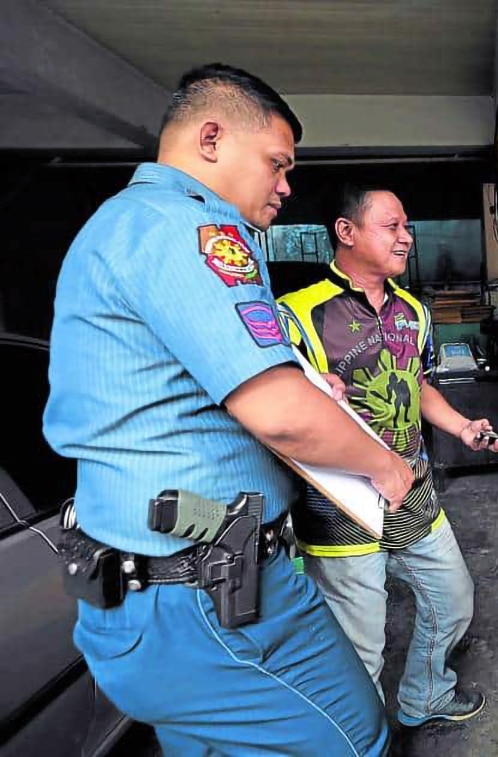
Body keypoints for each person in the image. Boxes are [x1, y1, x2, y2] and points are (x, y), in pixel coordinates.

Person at [43, 64, 402, 755]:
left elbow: (187, 388)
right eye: (276, 163)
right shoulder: (191, 228)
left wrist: (297, 384)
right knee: (354, 737)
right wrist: (383, 464)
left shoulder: (120, 225)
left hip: (153, 593)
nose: (285, 184)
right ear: (211, 137)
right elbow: (278, 412)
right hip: (205, 601)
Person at [276, 185, 498, 727]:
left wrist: (462, 425)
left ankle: (426, 695)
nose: (406, 238)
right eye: (391, 226)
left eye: (407, 227)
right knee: (360, 644)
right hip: (341, 505)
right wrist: (311, 390)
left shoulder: (415, 312)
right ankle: (364, 737)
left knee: (453, 600)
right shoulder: (296, 315)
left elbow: (417, 382)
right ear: (346, 232)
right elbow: (277, 406)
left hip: (413, 491)